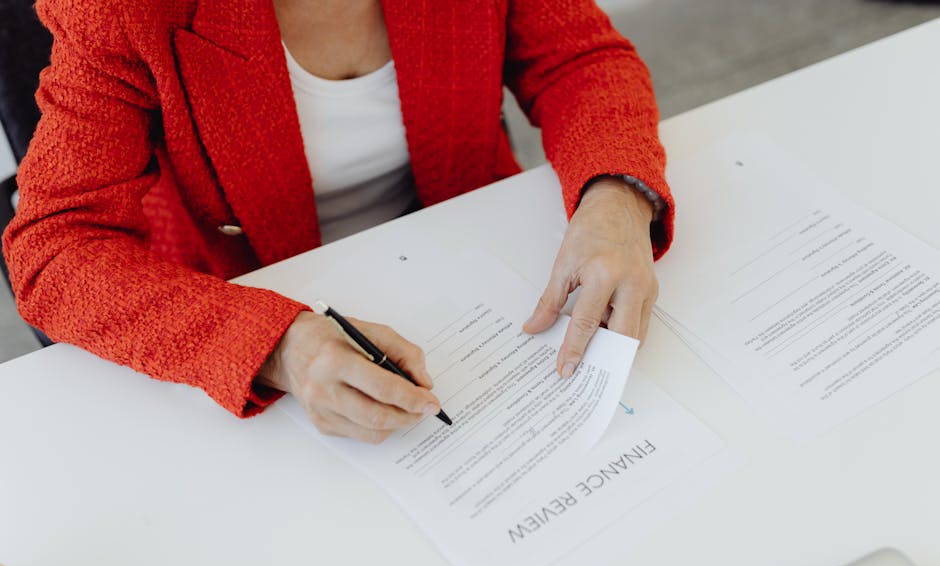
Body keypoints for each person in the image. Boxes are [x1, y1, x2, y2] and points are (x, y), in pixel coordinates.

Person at [2, 0, 674, 443]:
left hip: (470, 261)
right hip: (250, 294)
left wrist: (615, 193)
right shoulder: (124, 10)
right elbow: (55, 248)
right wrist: (274, 346)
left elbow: (578, 60)